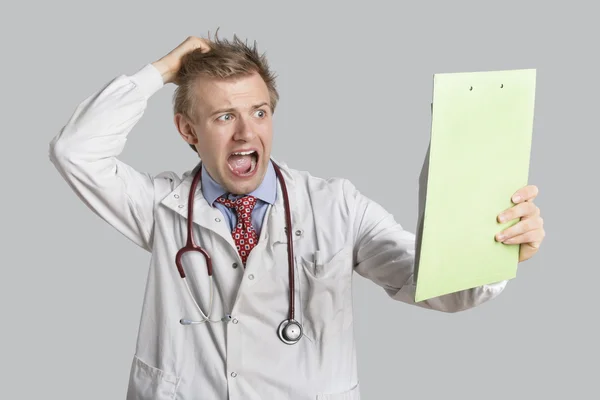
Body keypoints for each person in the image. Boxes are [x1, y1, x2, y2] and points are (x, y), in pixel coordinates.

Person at [49, 35, 545, 399]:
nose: (246, 133)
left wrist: (491, 251)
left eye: (259, 112)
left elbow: (441, 286)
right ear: (187, 130)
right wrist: (159, 71)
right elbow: (75, 151)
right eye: (225, 117)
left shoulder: (335, 206)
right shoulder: (163, 206)